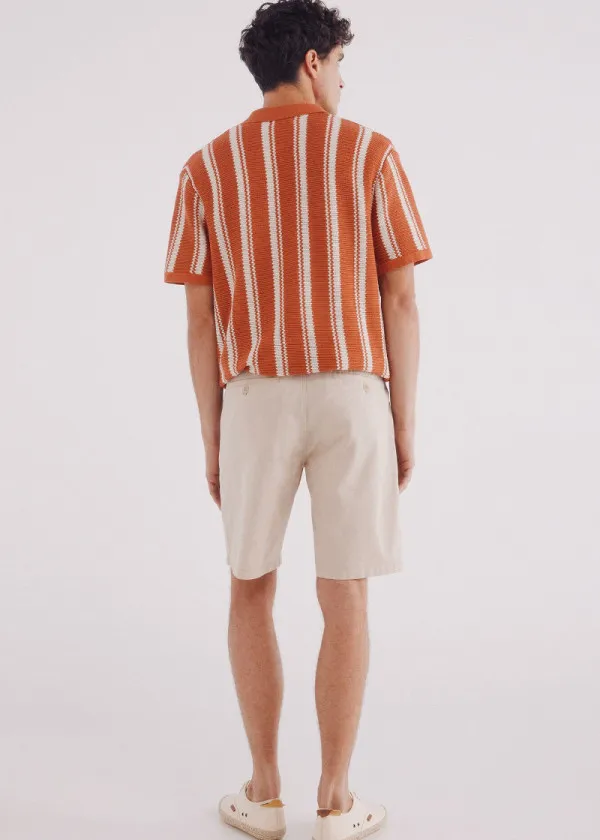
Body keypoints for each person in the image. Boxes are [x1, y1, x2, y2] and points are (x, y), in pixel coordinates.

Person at [163, 1, 432, 837]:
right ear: (312, 61)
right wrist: (403, 421)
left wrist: (212, 434)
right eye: (341, 64)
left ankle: (265, 790)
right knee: (344, 592)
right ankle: (336, 801)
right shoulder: (370, 152)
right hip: (353, 394)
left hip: (254, 400)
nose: (344, 81)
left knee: (250, 586)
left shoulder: (206, 168)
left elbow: (200, 321)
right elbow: (400, 298)